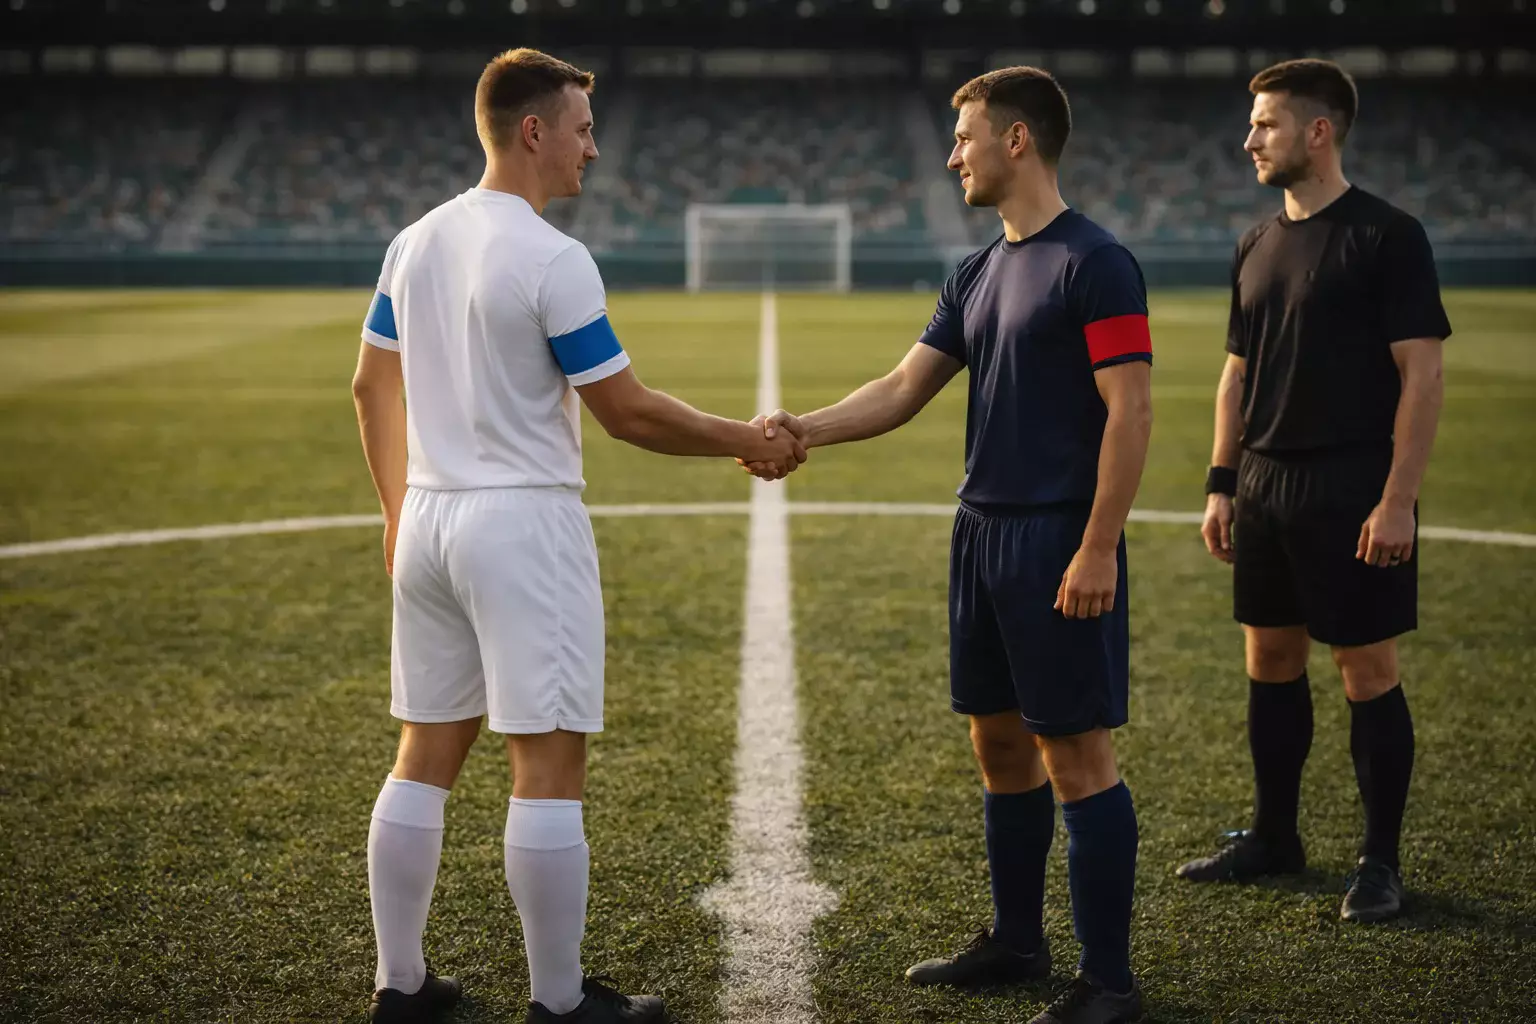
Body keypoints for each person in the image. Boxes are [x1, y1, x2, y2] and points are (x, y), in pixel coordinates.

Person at [349, 47, 805, 1024]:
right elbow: (626, 410)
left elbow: (368, 386)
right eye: (583, 129)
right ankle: (559, 1003)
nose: (593, 149)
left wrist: (396, 513)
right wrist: (749, 439)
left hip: (427, 519)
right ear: (534, 132)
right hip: (522, 523)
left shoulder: (413, 241)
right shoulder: (553, 257)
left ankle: (400, 984)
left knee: (423, 750)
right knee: (548, 763)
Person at [745, 66, 1152, 1024]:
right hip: (981, 534)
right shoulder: (975, 271)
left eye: (964, 137)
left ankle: (1110, 983)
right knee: (999, 742)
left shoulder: (1096, 263)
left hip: (1057, 538)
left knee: (1077, 755)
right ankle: (1017, 941)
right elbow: (901, 388)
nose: (951, 156)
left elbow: (1130, 412)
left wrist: (1098, 545)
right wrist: (800, 429)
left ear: (1017, 139)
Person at [1176, 58, 1450, 925]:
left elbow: (1422, 375)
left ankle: (1380, 863)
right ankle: (1274, 836)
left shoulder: (1387, 236)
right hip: (1264, 482)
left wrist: (1398, 498)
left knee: (1365, 670)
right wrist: (1222, 483)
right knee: (1270, 660)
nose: (1249, 139)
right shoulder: (1255, 242)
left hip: (1351, 482)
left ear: (1318, 130)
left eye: (1266, 123)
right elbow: (1235, 375)